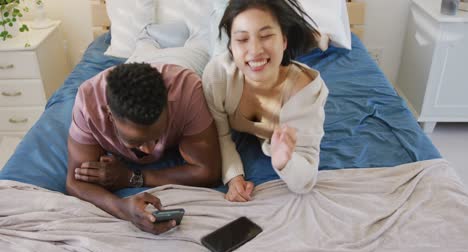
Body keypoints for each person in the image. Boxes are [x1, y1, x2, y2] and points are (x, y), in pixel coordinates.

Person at [66, 62, 221, 234]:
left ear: (168, 106)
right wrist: (121, 207)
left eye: (157, 136)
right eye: (136, 141)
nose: (148, 150)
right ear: (110, 116)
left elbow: (208, 172)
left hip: (182, 61)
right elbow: (75, 182)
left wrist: (131, 177)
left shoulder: (187, 92)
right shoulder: (87, 104)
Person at [202, 0, 329, 202]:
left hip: (289, 70)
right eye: (242, 39)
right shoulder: (217, 77)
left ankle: (318, 37)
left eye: (266, 35)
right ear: (232, 47)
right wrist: (234, 177)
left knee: (315, 41)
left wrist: (285, 162)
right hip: (224, 63)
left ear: (284, 40)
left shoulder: (304, 92)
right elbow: (221, 135)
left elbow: (305, 180)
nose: (255, 49)